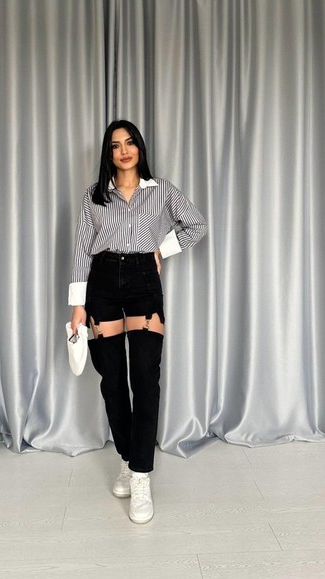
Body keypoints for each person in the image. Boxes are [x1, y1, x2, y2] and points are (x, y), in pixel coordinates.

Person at [69, 120, 207, 524]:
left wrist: (163, 249)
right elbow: (82, 250)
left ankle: (141, 474)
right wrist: (77, 306)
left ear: (140, 148)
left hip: (144, 281)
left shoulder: (161, 190)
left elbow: (196, 224)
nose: (124, 150)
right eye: (115, 146)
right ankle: (128, 460)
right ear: (108, 154)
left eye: (130, 143)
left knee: (145, 377)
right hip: (102, 283)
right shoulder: (94, 196)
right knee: (112, 380)